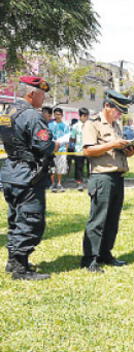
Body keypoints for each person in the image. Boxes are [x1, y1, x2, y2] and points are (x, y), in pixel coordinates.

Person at [0, 76, 59, 280]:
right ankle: (20, 268)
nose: (43, 99)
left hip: (11, 172)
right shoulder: (33, 116)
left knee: (16, 219)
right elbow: (43, 145)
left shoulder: (7, 112)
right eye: (42, 95)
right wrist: (55, 146)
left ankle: (12, 261)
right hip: (28, 174)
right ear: (32, 94)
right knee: (31, 220)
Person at [81, 90, 134, 273]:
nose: (119, 114)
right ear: (107, 106)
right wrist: (112, 144)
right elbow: (88, 151)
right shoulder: (92, 124)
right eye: (118, 110)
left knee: (113, 219)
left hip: (117, 176)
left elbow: (116, 150)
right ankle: (90, 258)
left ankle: (105, 253)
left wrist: (129, 149)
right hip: (102, 177)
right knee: (98, 219)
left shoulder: (116, 126)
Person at [48, 107, 69, 192]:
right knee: (52, 168)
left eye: (59, 114)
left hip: (62, 150)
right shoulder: (50, 125)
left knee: (60, 168)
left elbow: (67, 138)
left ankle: (59, 184)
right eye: (56, 114)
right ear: (54, 115)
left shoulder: (65, 125)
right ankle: (52, 184)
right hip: (52, 150)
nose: (57, 116)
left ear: (62, 115)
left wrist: (66, 150)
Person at [70, 108, 90, 191]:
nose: (86, 118)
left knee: (90, 166)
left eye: (87, 116)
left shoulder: (90, 125)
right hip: (78, 149)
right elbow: (72, 138)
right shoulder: (75, 126)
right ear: (81, 116)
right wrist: (72, 147)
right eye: (85, 116)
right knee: (79, 167)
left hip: (89, 149)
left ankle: (90, 182)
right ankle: (79, 183)